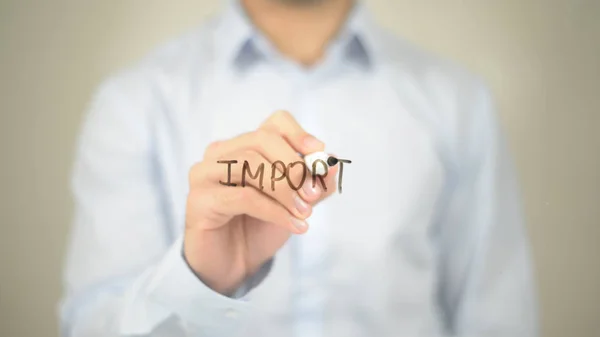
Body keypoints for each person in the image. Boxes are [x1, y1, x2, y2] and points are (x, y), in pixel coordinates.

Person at [59, 0, 538, 336]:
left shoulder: (458, 103)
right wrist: (197, 280)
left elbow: (498, 321)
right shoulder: (134, 103)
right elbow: (89, 328)